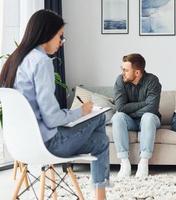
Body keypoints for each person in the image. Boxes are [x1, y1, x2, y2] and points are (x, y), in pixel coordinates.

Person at [0, 9, 109, 199]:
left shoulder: (15, 60)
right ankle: (100, 196)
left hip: (20, 145)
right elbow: (52, 119)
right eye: (60, 36)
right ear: (47, 34)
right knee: (100, 120)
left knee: (100, 139)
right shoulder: (41, 62)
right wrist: (80, 112)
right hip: (49, 144)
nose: (61, 42)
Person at [112, 53, 161, 177]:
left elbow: (152, 108)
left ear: (137, 73)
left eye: (126, 70)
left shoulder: (152, 81)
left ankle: (143, 162)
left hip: (151, 119)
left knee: (147, 117)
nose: (123, 72)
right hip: (130, 121)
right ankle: (124, 163)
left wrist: (131, 110)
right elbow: (120, 108)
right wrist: (144, 103)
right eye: (122, 69)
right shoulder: (120, 81)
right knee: (117, 117)